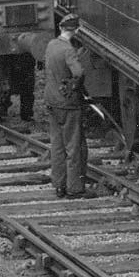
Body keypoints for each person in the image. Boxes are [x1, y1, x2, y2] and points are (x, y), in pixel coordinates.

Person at [44, 13, 93, 199]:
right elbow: (79, 72)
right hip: (67, 104)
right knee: (74, 146)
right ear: (76, 30)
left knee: (57, 146)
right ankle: (75, 188)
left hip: (51, 101)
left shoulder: (51, 45)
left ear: (61, 28)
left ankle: (59, 186)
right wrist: (75, 86)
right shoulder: (68, 50)